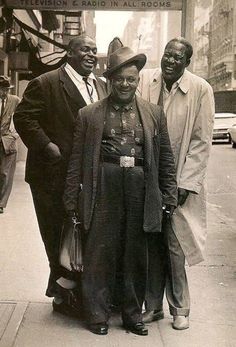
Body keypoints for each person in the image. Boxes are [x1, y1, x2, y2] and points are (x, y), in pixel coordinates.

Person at [63, 46, 177, 336]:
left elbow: (165, 158)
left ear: (138, 80)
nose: (125, 85)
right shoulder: (88, 114)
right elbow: (76, 159)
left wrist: (169, 196)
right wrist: (71, 199)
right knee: (100, 251)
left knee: (135, 253)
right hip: (103, 185)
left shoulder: (153, 113)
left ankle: (131, 314)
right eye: (119, 80)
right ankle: (97, 315)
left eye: (131, 79)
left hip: (140, 187)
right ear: (110, 80)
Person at [13, 34, 107, 316]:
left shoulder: (100, 86)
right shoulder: (46, 83)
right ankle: (64, 294)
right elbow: (23, 118)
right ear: (69, 53)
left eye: (94, 50)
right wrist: (47, 146)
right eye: (84, 50)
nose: (91, 55)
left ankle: (68, 291)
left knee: (81, 234)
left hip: (86, 175)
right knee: (56, 234)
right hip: (51, 175)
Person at [138, 37, 215, 330]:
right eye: (166, 55)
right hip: (147, 178)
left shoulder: (201, 89)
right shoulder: (148, 79)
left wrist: (185, 184)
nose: (169, 61)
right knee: (150, 245)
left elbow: (201, 141)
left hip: (180, 181)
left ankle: (180, 308)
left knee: (175, 246)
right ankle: (153, 306)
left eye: (176, 57)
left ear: (187, 62)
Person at [0, 76, 20, 213]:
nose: (5, 92)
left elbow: (24, 118)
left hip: (8, 142)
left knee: (4, 173)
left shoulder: (16, 101)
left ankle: (1, 203)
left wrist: (14, 135)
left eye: (7, 89)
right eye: (2, 89)